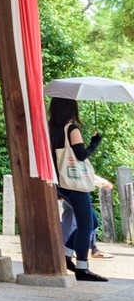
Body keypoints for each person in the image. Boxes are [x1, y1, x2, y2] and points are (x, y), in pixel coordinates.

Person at [52, 103, 109, 283]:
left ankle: (67, 254)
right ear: (72, 110)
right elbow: (81, 155)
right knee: (86, 224)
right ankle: (82, 268)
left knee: (92, 221)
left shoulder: (51, 128)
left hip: (61, 181)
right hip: (75, 183)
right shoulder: (71, 129)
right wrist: (95, 143)